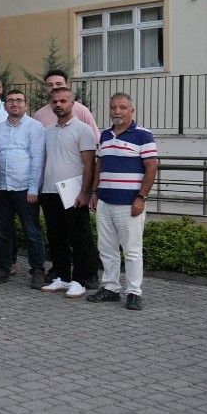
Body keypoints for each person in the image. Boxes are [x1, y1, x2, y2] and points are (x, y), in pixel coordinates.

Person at [87, 93, 158, 311]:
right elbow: (100, 165)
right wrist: (94, 191)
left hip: (130, 203)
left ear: (131, 111)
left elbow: (151, 167)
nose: (117, 111)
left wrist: (141, 198)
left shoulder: (143, 136)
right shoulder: (105, 135)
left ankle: (134, 292)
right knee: (106, 248)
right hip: (106, 202)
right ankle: (110, 288)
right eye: (113, 107)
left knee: (132, 250)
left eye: (122, 107)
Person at [38, 87, 99, 299]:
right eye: (55, 101)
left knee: (79, 237)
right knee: (56, 238)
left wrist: (85, 191)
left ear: (72, 103)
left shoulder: (83, 130)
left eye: (63, 101)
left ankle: (79, 281)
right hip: (49, 191)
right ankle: (62, 277)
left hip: (73, 193)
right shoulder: (48, 131)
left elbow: (89, 164)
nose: (58, 105)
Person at [0, 89, 48, 289]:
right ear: (5, 106)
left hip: (25, 189)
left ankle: (38, 270)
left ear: (26, 105)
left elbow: (38, 159)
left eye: (19, 101)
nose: (15, 104)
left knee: (32, 232)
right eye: (11, 101)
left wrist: (33, 189)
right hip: (1, 188)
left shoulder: (35, 127)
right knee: (2, 231)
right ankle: (4, 268)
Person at [32, 69, 98, 130]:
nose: (54, 87)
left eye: (59, 84)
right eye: (50, 85)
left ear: (67, 86)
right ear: (46, 88)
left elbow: (95, 139)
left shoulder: (82, 111)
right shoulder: (39, 115)